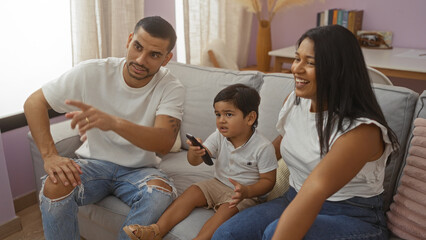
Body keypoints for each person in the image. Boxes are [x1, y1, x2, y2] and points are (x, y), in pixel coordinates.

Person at [212, 25, 399, 240]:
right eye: (297, 58)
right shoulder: (295, 102)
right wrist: (241, 169)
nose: (296, 69)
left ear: (338, 70)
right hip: (293, 197)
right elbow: (286, 140)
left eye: (310, 63)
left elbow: (315, 190)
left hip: (351, 215)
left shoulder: (361, 132)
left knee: (275, 233)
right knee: (227, 235)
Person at [23, 16, 185, 240]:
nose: (140, 59)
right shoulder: (92, 71)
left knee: (160, 194)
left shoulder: (171, 87)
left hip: (139, 170)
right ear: (129, 40)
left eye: (154, 55)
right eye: (137, 47)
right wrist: (50, 155)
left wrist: (114, 123)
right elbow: (34, 102)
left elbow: (164, 142)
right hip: (94, 163)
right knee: (54, 185)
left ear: (166, 59)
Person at [123, 83, 278, 240]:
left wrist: (248, 191)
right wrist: (194, 152)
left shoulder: (263, 147)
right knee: (192, 192)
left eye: (229, 115)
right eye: (218, 115)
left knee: (226, 211)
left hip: (244, 194)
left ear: (250, 118)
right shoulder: (219, 135)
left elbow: (269, 181)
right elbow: (195, 162)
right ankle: (156, 231)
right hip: (217, 183)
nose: (221, 120)